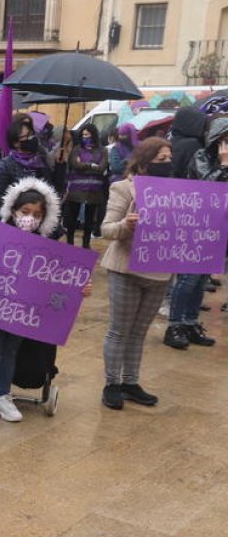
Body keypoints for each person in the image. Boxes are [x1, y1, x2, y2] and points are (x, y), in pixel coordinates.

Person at [0, 177, 91, 426]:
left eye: (37, 214)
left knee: (10, 352)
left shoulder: (47, 246)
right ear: (13, 210)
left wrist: (79, 287)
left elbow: (59, 278)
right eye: (25, 212)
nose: (30, 218)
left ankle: (3, 395)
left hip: (24, 309)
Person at [100, 137, 174, 409]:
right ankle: (112, 384)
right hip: (127, 270)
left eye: (169, 159)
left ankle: (130, 382)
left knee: (139, 331)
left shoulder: (178, 192)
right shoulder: (123, 188)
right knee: (120, 330)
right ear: (144, 163)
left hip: (159, 272)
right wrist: (126, 225)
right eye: (161, 159)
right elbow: (106, 229)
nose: (167, 164)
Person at [164, 117, 227, 350]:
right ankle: (175, 325)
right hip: (195, 224)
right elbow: (208, 188)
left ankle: (190, 322)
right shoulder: (202, 156)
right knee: (188, 277)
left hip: (218, 227)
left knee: (201, 278)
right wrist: (224, 164)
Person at [0, 113, 53, 221]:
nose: (31, 138)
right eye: (26, 137)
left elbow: (52, 192)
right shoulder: (3, 167)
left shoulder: (40, 162)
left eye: (32, 134)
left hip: (38, 222)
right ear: (16, 143)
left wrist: (61, 165)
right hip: (13, 224)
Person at [62, 123, 108, 249]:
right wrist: (91, 165)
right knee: (72, 217)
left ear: (93, 135)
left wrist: (83, 165)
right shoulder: (77, 149)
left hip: (94, 190)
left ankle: (86, 243)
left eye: (87, 135)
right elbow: (74, 165)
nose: (84, 137)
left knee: (89, 219)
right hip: (76, 189)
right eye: (83, 135)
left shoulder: (102, 150)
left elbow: (102, 168)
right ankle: (70, 243)